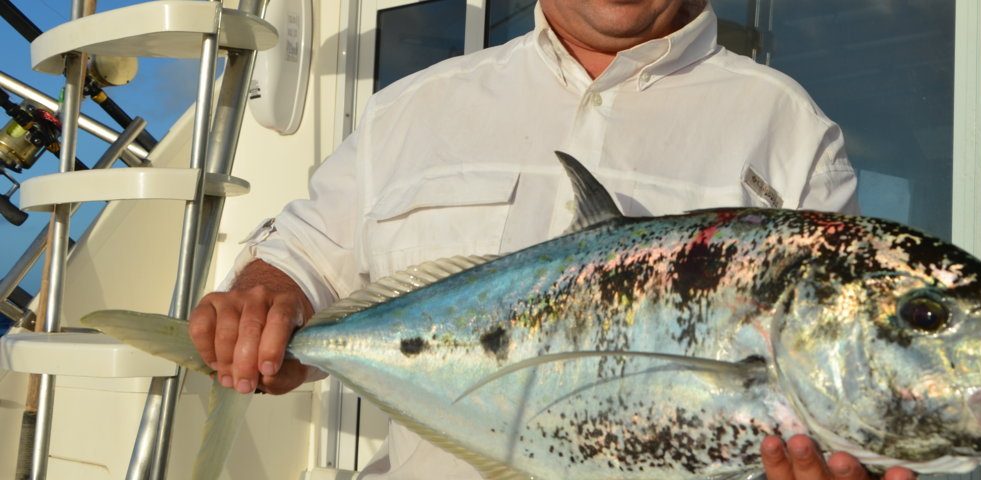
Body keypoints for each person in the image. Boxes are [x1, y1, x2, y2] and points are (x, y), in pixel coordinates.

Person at [189, 0, 915, 478]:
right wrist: (263, 305)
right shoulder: (410, 109)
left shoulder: (790, 132)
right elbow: (302, 263)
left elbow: (824, 370)